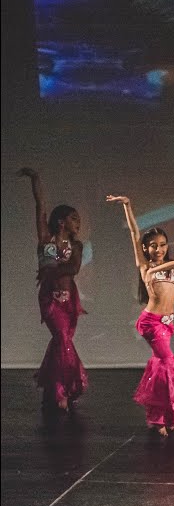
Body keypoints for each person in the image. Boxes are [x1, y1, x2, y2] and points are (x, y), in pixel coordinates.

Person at [106, 194, 174, 436]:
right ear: (145, 249)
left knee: (161, 368)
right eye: (153, 246)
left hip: (167, 323)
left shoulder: (167, 267)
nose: (159, 249)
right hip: (151, 323)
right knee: (169, 363)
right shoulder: (145, 267)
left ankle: (164, 417)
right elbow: (134, 234)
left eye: (162, 245)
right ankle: (163, 415)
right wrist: (128, 206)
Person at [18, 168, 88, 411]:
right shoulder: (46, 239)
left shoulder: (76, 246)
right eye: (74, 218)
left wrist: (50, 271)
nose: (78, 222)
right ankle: (63, 391)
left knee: (61, 342)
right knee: (62, 338)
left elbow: (74, 268)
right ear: (61, 221)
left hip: (69, 300)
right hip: (50, 299)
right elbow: (41, 208)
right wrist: (36, 179)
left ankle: (53, 386)